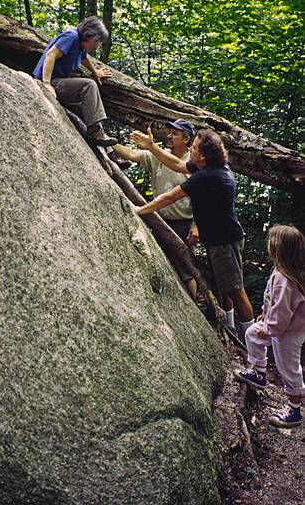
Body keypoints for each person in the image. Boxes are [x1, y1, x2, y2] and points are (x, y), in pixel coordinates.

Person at [130, 126, 254, 333]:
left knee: (236, 290)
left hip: (224, 240)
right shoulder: (210, 168)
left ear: (203, 155)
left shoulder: (208, 176)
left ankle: (253, 349)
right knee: (226, 286)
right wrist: (152, 147)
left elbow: (171, 196)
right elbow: (177, 164)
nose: (191, 151)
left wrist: (140, 210)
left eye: (195, 148)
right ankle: (231, 327)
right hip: (221, 238)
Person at [113, 119, 198, 299]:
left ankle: (193, 305)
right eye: (170, 132)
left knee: (185, 270)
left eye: (175, 133)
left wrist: (196, 225)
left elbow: (204, 196)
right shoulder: (159, 156)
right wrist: (106, 140)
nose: (169, 136)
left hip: (183, 224)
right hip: (159, 220)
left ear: (186, 139)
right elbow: (132, 155)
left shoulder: (193, 161)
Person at [234, 225, 305, 428]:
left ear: (276, 248)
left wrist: (270, 326)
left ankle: (294, 410)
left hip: (289, 332)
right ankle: (259, 372)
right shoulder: (280, 270)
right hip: (279, 325)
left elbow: (283, 310)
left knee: (288, 368)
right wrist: (266, 315)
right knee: (252, 334)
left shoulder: (285, 279)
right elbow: (273, 301)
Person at [33, 16, 117, 148]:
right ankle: (96, 133)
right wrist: (46, 84)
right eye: (97, 41)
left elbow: (84, 59)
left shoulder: (80, 45)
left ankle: (109, 151)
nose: (98, 45)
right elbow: (51, 55)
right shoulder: (71, 37)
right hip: (51, 82)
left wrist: (96, 73)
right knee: (89, 85)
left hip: (59, 83)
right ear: (89, 35)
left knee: (88, 110)